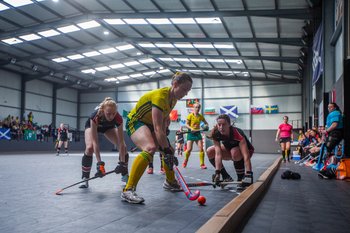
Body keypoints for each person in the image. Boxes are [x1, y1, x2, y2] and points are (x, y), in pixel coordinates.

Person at [121, 72, 193, 204]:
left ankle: (170, 182)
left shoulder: (173, 98)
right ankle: (128, 190)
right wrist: (165, 149)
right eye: (184, 90)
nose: (186, 94)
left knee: (169, 150)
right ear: (175, 84)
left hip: (149, 124)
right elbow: (158, 128)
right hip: (136, 121)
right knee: (151, 148)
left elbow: (164, 118)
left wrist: (167, 141)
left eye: (188, 91)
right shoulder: (160, 96)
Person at [79, 97, 129, 188]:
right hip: (92, 126)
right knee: (89, 148)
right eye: (108, 114)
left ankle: (125, 174)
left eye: (113, 114)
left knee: (124, 148)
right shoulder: (95, 116)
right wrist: (99, 164)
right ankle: (85, 178)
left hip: (108, 128)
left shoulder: (118, 118)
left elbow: (121, 142)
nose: (111, 116)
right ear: (103, 110)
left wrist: (122, 163)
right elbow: (95, 142)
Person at [206, 114, 254, 191]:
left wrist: (249, 173)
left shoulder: (237, 133)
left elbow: (246, 155)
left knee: (234, 152)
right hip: (229, 149)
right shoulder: (215, 133)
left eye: (224, 124)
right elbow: (218, 154)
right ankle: (226, 177)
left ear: (229, 124)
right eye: (219, 125)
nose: (221, 127)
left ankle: (240, 178)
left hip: (245, 152)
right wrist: (217, 172)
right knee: (210, 151)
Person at [182, 103, 209, 169]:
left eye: (198, 107)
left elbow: (206, 123)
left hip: (197, 133)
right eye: (196, 107)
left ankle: (202, 164)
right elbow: (186, 124)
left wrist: (205, 126)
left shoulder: (200, 116)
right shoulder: (190, 116)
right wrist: (191, 128)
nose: (197, 108)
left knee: (201, 149)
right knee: (189, 149)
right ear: (193, 108)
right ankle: (185, 161)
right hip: (191, 133)